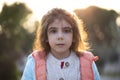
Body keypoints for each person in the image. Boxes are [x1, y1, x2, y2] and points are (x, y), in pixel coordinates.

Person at [21, 8, 100, 80]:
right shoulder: (34, 61)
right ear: (46, 37)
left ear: (74, 36)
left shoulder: (87, 61)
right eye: (53, 31)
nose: (60, 37)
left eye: (66, 31)